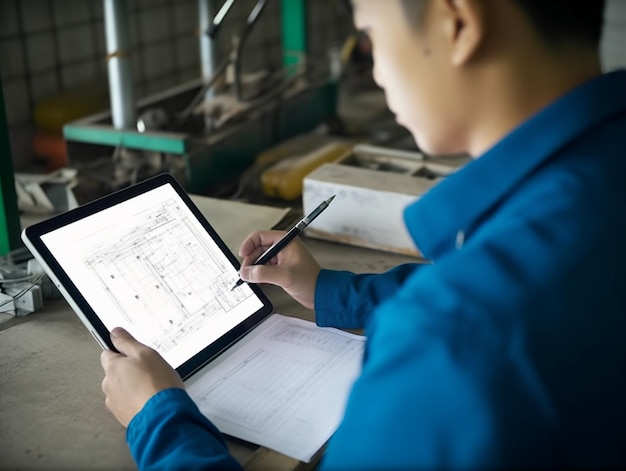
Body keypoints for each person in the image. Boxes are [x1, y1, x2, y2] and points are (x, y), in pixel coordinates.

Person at [100, 0, 626, 468]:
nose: (374, 72)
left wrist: (159, 419)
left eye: (371, 36)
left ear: (458, 22)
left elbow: (474, 314)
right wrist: (331, 290)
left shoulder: (453, 334)